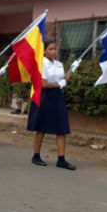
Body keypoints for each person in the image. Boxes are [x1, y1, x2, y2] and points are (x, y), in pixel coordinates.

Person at [27, 40, 80, 170]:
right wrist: (59, 84)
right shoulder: (41, 64)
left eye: (55, 49)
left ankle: (61, 159)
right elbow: (44, 84)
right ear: (44, 51)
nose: (53, 51)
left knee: (61, 127)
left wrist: (72, 70)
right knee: (41, 127)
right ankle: (36, 156)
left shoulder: (59, 64)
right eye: (50, 49)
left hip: (57, 97)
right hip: (44, 96)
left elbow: (63, 80)